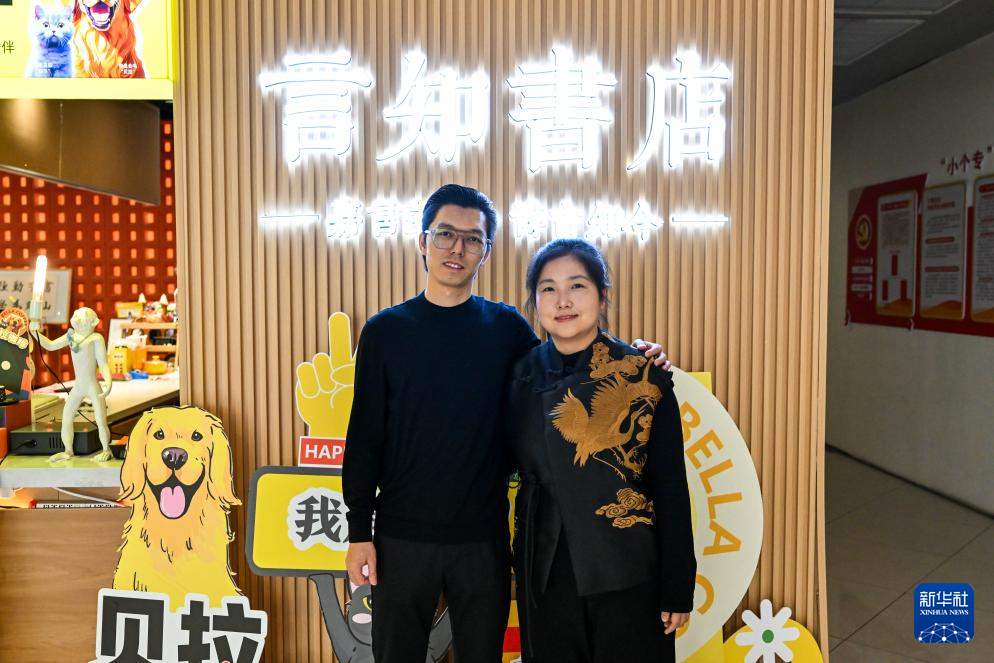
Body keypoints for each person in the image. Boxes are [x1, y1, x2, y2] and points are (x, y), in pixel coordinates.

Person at [342, 184, 670, 663]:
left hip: (484, 540)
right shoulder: (385, 332)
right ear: (422, 241)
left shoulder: (507, 328)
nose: (457, 249)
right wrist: (358, 532)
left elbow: (570, 363)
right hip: (400, 538)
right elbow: (364, 438)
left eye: (472, 239)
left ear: (487, 250)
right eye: (445, 234)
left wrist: (637, 359)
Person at [505, 238, 696, 663]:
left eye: (577, 285)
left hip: (628, 564)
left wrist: (678, 585)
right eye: (548, 288)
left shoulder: (643, 373)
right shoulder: (518, 375)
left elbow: (670, 486)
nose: (563, 301)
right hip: (545, 566)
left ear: (602, 295)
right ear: (535, 301)